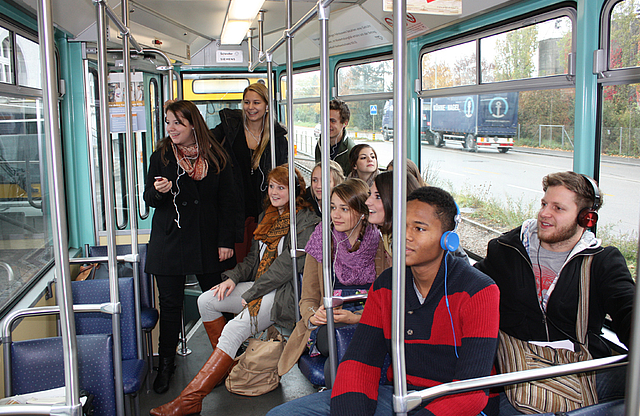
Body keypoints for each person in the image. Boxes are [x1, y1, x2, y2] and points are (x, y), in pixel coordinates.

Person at [268, 187, 501, 416]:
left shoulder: (479, 291)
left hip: (454, 403)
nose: (405, 236)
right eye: (402, 226)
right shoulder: (388, 285)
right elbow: (360, 362)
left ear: (447, 239)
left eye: (419, 229)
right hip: (399, 396)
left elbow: (472, 391)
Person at [150, 166, 320, 416]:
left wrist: (250, 294)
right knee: (207, 300)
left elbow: (283, 270)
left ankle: (191, 398)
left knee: (234, 328)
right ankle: (227, 368)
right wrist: (232, 279)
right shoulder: (267, 216)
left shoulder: (306, 223)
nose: (274, 192)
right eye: (271, 186)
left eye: (281, 187)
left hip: (286, 294)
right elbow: (252, 260)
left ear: (295, 191)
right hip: (262, 287)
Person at [475, 171, 635, 413]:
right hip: (517, 362)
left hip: (579, 365)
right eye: (543, 204)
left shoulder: (602, 262)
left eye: (558, 208)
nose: (544, 213)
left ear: (585, 218)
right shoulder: (507, 250)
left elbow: (627, 306)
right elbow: (472, 288)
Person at [144, 100, 237, 395]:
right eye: (168, 122)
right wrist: (159, 193)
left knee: (218, 300)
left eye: (178, 123)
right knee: (170, 306)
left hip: (207, 239)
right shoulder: (161, 156)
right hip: (170, 239)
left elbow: (228, 202)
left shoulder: (216, 156)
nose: (171, 128)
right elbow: (148, 197)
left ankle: (225, 361)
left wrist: (225, 242)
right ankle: (167, 367)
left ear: (193, 125)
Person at [278, 178, 384, 383]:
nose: (335, 214)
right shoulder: (322, 240)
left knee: (341, 358)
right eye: (333, 207)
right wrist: (313, 315)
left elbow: (386, 301)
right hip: (329, 321)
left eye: (344, 209)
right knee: (339, 341)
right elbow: (308, 298)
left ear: (362, 212)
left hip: (368, 317)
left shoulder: (380, 244)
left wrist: (355, 318)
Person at [213, 83, 288, 262]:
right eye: (247, 102)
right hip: (234, 212)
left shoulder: (278, 140)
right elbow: (204, 138)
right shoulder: (230, 129)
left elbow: (282, 176)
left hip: (265, 212)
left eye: (256, 102)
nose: (251, 108)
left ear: (267, 105)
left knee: (261, 266)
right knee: (235, 266)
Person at [366, 170, 421, 271]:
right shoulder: (390, 235)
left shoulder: (413, 243)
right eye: (370, 194)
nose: (367, 202)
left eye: (377, 197)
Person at [314, 99, 356, 175]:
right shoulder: (320, 145)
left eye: (332, 121)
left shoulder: (351, 151)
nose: (327, 125)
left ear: (344, 123)